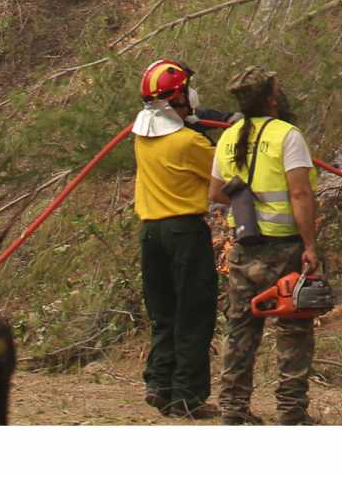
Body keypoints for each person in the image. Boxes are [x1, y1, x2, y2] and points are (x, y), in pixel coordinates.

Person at [210, 68, 325, 426]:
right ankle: (291, 411)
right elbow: (300, 193)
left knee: (240, 328)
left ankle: (233, 408)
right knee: (293, 326)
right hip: (285, 247)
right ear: (272, 98)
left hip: (243, 248)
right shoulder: (287, 136)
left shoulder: (228, 137)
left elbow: (215, 194)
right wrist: (311, 245)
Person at [133, 59, 219, 419]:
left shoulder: (140, 137)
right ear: (176, 98)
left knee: (164, 313)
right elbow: (223, 171)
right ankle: (187, 396)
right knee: (194, 312)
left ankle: (159, 383)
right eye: (187, 89)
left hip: (151, 233)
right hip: (184, 232)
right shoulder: (188, 142)